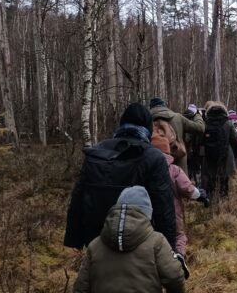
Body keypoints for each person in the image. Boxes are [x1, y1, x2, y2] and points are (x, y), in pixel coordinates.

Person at [64, 103, 177, 251]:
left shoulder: (96, 151)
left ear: (122, 125)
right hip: (139, 244)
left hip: (97, 242)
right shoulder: (154, 157)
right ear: (148, 129)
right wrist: (169, 251)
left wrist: (75, 239)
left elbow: (78, 197)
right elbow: (164, 208)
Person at [151, 135, 209, 256]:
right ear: (167, 151)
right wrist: (201, 195)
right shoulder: (174, 170)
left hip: (150, 216)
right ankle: (179, 262)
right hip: (173, 213)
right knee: (178, 237)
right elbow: (189, 190)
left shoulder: (144, 168)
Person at [149, 97, 205, 173]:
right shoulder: (177, 117)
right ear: (165, 106)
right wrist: (197, 115)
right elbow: (200, 128)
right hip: (179, 160)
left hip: (154, 162)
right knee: (181, 183)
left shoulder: (145, 119)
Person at [202, 101, 237, 199]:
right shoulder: (228, 123)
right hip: (225, 155)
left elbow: (200, 140)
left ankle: (211, 196)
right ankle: (223, 196)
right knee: (224, 176)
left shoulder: (205, 123)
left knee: (211, 175)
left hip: (209, 155)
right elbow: (236, 140)